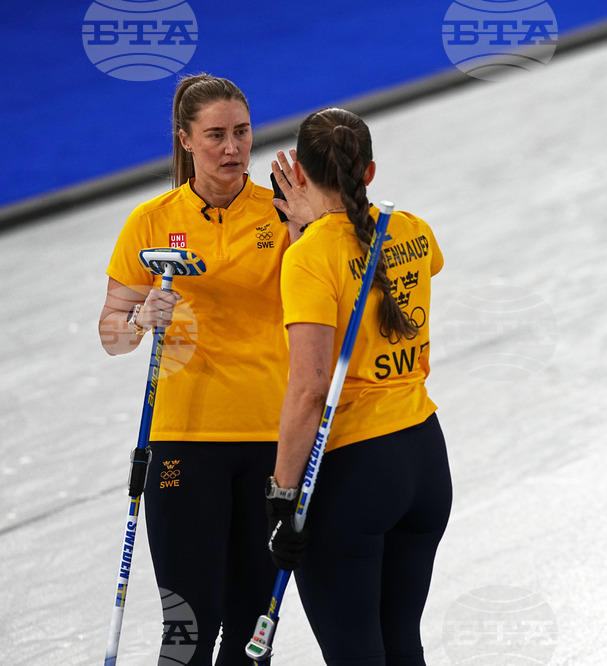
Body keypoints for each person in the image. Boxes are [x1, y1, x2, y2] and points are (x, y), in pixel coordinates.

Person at [98, 73, 305, 664]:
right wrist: (140, 317)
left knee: (251, 632)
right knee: (189, 629)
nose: (233, 148)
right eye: (216, 135)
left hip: (271, 437)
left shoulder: (284, 213)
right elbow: (111, 337)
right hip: (184, 440)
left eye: (241, 132)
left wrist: (305, 236)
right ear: (185, 139)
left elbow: (324, 310)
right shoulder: (151, 220)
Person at [265, 107, 452, 665]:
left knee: (355, 654)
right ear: (368, 172)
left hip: (354, 470)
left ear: (297, 170)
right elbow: (405, 263)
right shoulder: (412, 228)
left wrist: (280, 493)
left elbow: (309, 389)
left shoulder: (309, 259)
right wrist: (321, 224)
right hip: (424, 457)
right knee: (401, 643)